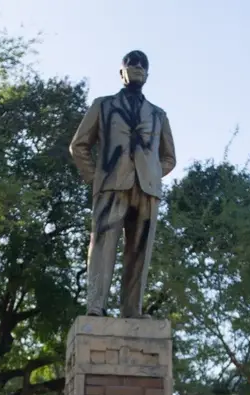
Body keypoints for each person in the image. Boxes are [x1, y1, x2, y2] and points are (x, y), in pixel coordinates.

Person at [69, 50, 177, 318]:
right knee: (103, 245)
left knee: (139, 252)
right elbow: (79, 145)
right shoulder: (103, 105)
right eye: (131, 63)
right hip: (111, 185)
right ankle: (96, 306)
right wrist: (96, 177)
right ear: (121, 72)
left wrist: (151, 173)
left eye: (142, 65)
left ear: (148, 74)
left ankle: (132, 310)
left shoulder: (158, 114)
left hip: (147, 190)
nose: (137, 67)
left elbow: (169, 157)